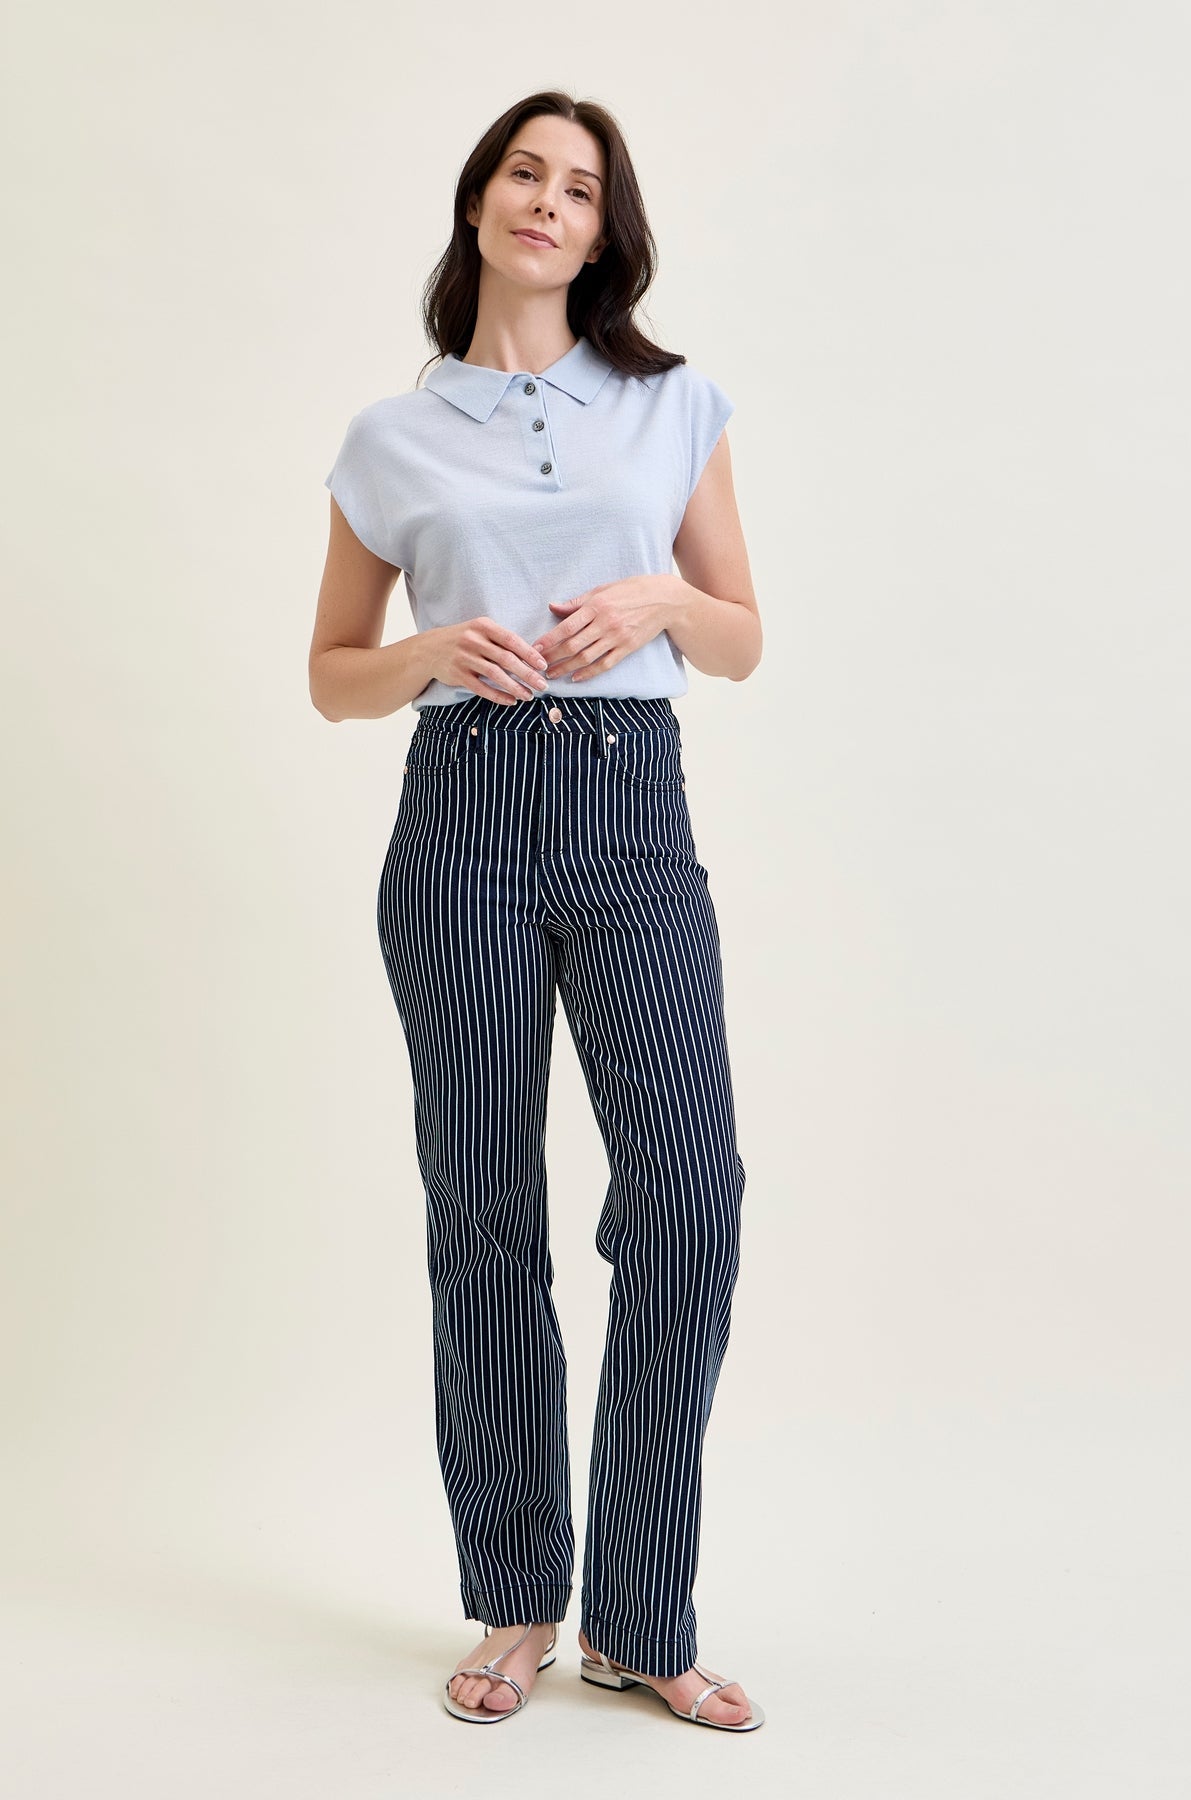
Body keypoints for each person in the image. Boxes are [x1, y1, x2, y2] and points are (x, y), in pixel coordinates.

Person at [309, 90, 765, 1732]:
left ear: (601, 232)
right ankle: (516, 1599)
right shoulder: (391, 435)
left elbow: (740, 639)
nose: (548, 203)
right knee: (484, 1210)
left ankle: (640, 1616)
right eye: (525, 173)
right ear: (480, 201)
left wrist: (661, 598)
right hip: (464, 819)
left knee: (689, 1196)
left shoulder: (670, 403)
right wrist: (431, 652)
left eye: (579, 188)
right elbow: (331, 676)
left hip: (634, 808)